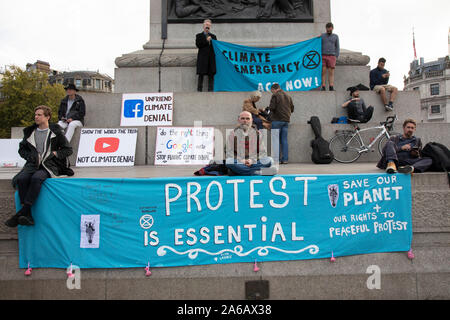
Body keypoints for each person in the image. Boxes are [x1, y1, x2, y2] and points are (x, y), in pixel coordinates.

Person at [5, 106, 73, 228]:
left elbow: (68, 150)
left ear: (47, 117)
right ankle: (27, 215)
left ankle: (22, 213)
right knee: (21, 179)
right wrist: (30, 157)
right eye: (35, 115)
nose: (36, 117)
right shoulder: (30, 132)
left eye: (39, 115)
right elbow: (22, 150)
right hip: (32, 164)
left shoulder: (56, 132)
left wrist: (55, 154)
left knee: (37, 178)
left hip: (49, 165)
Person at [225, 111, 278, 176]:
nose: (245, 121)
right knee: (229, 162)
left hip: (254, 162)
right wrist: (242, 160)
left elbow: (262, 153)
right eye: (243, 118)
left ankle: (238, 172)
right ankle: (257, 172)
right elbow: (229, 152)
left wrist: (252, 160)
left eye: (247, 119)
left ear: (251, 120)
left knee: (269, 160)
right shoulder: (232, 134)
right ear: (238, 120)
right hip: (239, 162)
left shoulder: (258, 134)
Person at [268, 83, 294, 164]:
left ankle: (276, 160)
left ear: (273, 89)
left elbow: (272, 107)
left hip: (276, 120)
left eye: (271, 91)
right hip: (286, 120)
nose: (272, 92)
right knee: (284, 140)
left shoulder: (275, 95)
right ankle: (285, 159)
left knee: (275, 140)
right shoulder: (288, 96)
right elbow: (292, 109)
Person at [195, 19, 217, 92]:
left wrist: (212, 41)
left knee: (211, 75)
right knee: (201, 74)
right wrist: (206, 40)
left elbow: (216, 47)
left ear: (210, 27)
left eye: (208, 25)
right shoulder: (199, 36)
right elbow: (198, 45)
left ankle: (210, 90)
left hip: (211, 59)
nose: (207, 27)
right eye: (206, 25)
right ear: (203, 26)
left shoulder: (213, 36)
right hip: (202, 59)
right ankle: (199, 90)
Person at [320, 22, 340, 91]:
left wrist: (336, 56)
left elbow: (337, 47)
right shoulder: (322, 36)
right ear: (326, 28)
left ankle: (331, 86)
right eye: (327, 29)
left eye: (330, 29)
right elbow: (318, 43)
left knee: (331, 73)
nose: (328, 30)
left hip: (332, 56)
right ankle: (323, 86)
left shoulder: (335, 36)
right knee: (323, 72)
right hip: (323, 55)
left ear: (332, 28)